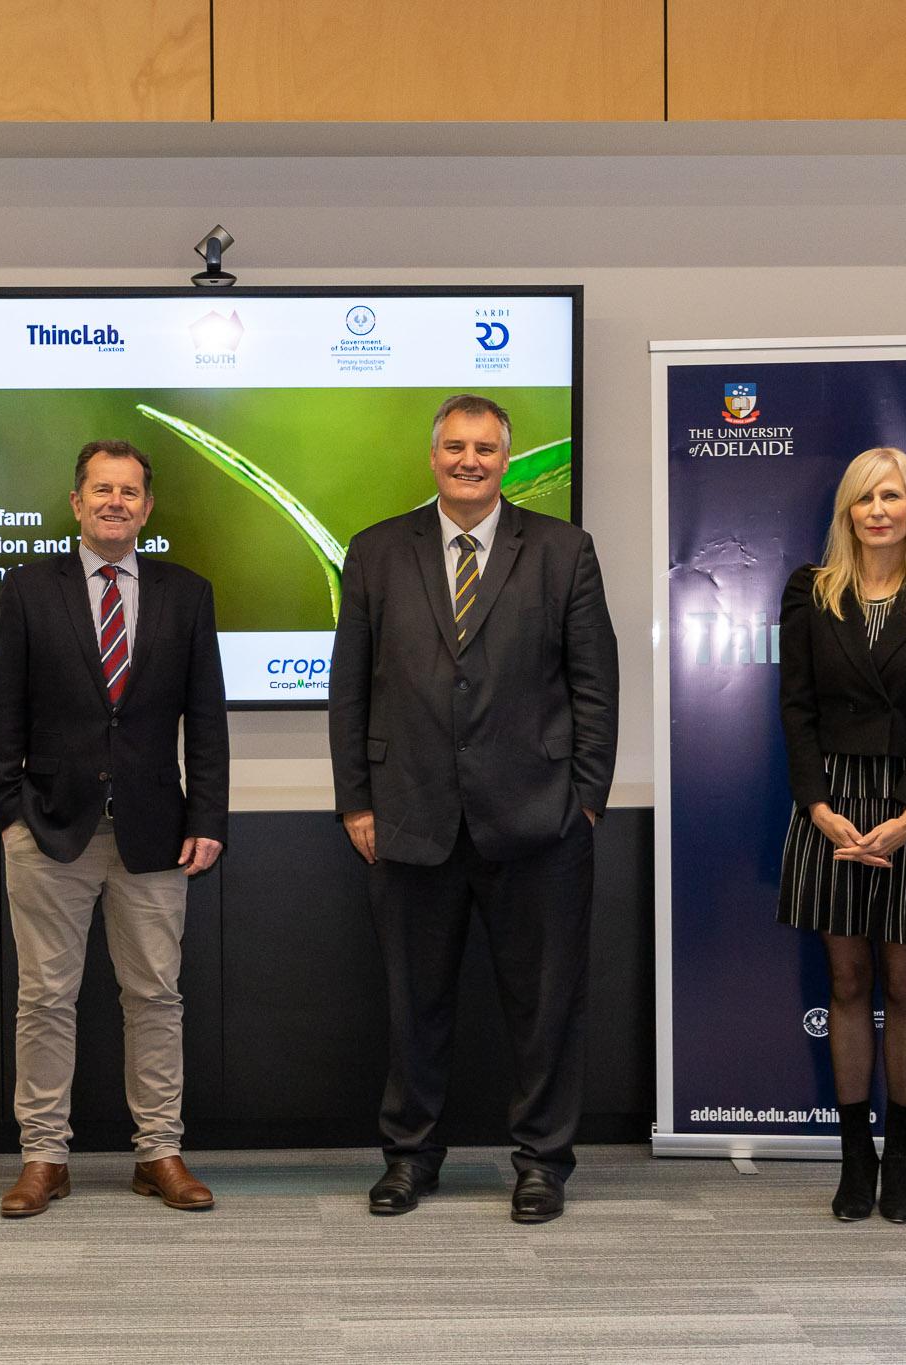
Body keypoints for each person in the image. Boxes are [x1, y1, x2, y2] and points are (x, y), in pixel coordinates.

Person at [329, 393, 619, 1224]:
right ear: (432, 456)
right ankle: (411, 1157)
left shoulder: (563, 550)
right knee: (414, 1003)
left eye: (485, 448)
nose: (469, 460)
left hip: (539, 820)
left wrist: (586, 800)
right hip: (409, 817)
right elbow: (349, 688)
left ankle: (542, 1163)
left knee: (545, 1004)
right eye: (454, 446)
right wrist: (356, 800)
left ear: (507, 457)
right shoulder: (379, 550)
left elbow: (596, 682)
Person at [0, 438, 228, 1218]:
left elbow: (208, 718)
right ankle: (44, 1156)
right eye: (101, 490)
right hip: (50, 830)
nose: (115, 502)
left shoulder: (187, 593)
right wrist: (9, 817)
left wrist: (209, 816)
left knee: (155, 994)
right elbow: (0, 716)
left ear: (147, 508)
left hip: (157, 832)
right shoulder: (27, 589)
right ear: (76, 503)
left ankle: (159, 1150)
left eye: (129, 491)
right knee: (45, 997)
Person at [776, 446, 906, 1226]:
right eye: (864, 497)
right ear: (847, 510)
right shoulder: (810, 592)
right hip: (830, 803)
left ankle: (900, 1156)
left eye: (892, 496)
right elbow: (794, 709)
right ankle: (853, 1155)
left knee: (904, 985)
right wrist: (818, 805)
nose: (878, 510)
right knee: (846, 984)